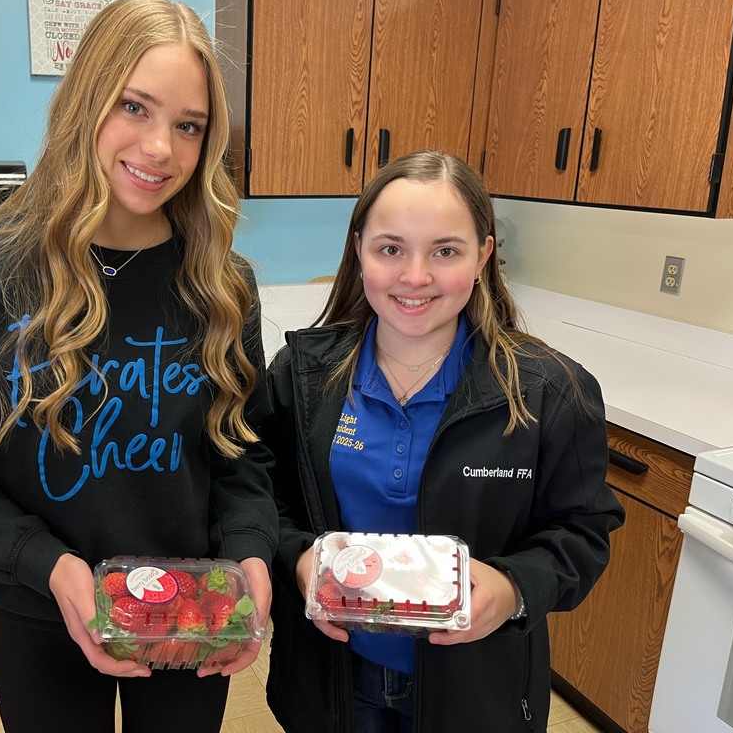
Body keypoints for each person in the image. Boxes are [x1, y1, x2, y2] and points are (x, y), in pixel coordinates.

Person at [0, 0, 277, 733]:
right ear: (85, 100)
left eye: (189, 126)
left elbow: (244, 458)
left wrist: (251, 556)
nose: (162, 148)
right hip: (39, 613)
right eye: (134, 107)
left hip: (191, 615)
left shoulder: (224, 285)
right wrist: (48, 566)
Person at [262, 150, 624, 733]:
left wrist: (511, 588)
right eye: (391, 248)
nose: (415, 276)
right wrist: (298, 558)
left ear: (483, 255)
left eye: (446, 251)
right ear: (359, 250)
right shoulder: (302, 376)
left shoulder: (548, 393)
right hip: (331, 682)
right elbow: (260, 500)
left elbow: (583, 532)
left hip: (476, 690)